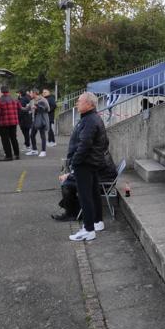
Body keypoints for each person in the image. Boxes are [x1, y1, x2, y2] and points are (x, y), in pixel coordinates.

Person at [67, 92, 108, 241]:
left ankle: (88, 229)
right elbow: (104, 143)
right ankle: (97, 222)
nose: (77, 103)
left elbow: (84, 144)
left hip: (85, 163)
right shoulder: (93, 118)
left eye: (79, 101)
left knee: (86, 197)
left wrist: (75, 161)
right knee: (93, 193)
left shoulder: (90, 120)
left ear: (89, 104)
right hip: (91, 162)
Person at [52, 150, 118, 221]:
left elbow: (86, 174)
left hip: (101, 185)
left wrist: (68, 176)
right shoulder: (101, 152)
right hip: (102, 181)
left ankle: (71, 213)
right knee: (68, 183)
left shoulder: (98, 156)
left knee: (66, 186)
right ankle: (72, 211)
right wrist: (70, 175)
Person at [0, 86, 21, 162]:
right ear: (8, 91)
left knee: (5, 140)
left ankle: (9, 156)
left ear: (2, 92)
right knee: (13, 138)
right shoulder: (15, 99)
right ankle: (17, 154)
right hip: (13, 122)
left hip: (3, 123)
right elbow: (20, 108)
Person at [26, 89, 50, 157]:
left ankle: (43, 151)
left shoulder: (43, 99)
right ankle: (34, 150)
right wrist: (18, 106)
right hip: (35, 120)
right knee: (32, 135)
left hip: (42, 120)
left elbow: (48, 109)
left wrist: (37, 107)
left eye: (30, 93)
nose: (29, 95)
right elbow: (27, 109)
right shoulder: (32, 101)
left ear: (34, 93)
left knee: (42, 135)